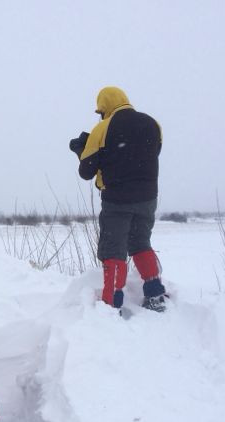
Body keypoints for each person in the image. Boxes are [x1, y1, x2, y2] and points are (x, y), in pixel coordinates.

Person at [69, 86, 167, 312]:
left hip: (117, 200)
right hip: (148, 198)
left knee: (113, 250)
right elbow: (150, 154)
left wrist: (81, 150)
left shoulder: (102, 129)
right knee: (141, 243)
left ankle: (112, 304)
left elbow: (87, 171)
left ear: (104, 107)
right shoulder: (153, 124)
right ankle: (155, 294)